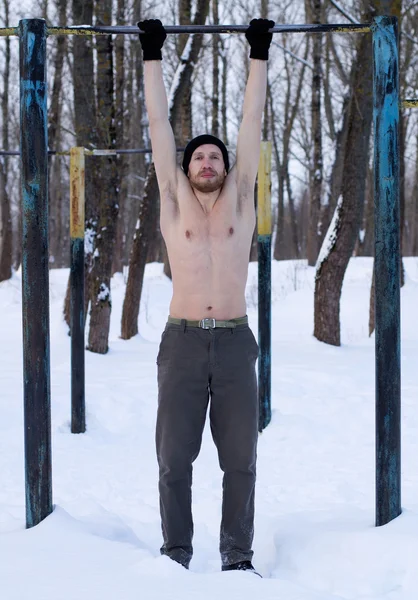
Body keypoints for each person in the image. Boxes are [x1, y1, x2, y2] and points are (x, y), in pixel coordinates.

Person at [138, 17, 274, 574]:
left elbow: (251, 119)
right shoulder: (173, 198)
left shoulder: (242, 198)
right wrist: (152, 54)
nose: (208, 161)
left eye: (216, 156)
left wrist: (258, 53)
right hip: (183, 343)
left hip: (238, 342)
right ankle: (176, 554)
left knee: (240, 459)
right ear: (185, 166)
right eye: (199, 157)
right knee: (174, 459)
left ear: (229, 165)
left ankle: (236, 558)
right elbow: (157, 123)